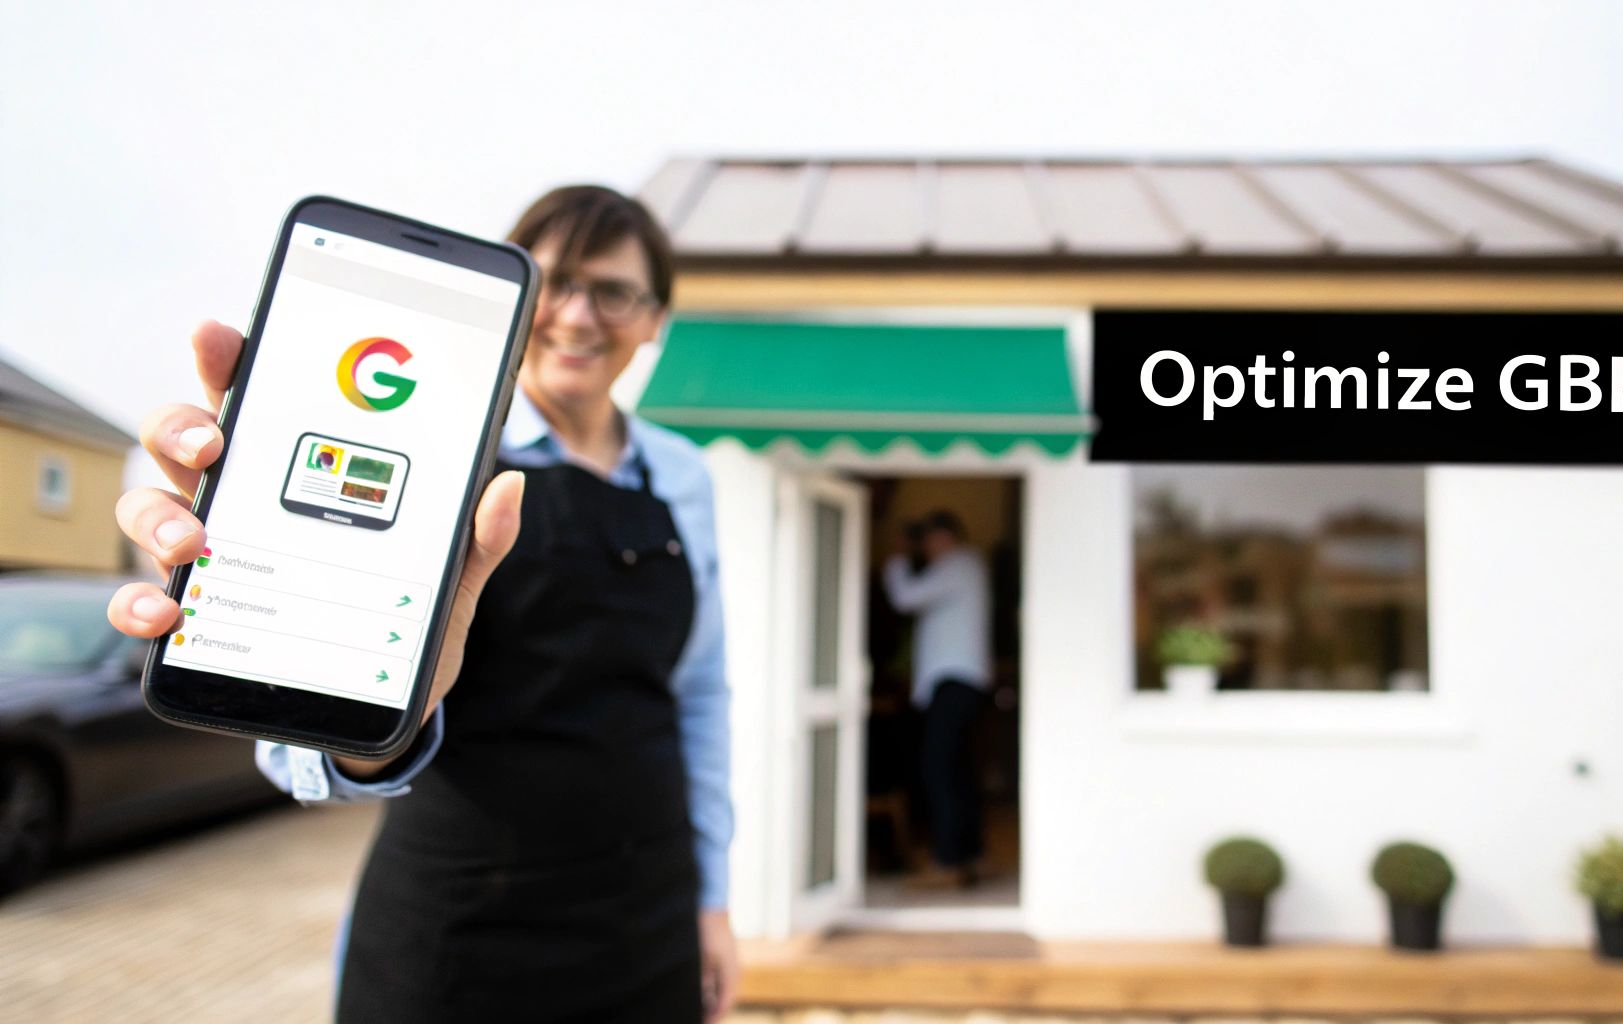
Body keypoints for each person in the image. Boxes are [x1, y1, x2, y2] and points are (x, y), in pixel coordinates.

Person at [106, 186, 737, 1022]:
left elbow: (697, 696)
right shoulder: (434, 443)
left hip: (645, 913)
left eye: (613, 291)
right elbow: (308, 752)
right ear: (514, 303)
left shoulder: (683, 476)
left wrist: (714, 899)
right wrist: (366, 733)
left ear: (654, 318)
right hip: (459, 923)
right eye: (553, 283)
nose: (579, 316)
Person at [880, 510, 991, 889]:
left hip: (954, 682)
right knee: (957, 771)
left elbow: (905, 597)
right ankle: (969, 855)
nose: (924, 549)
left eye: (927, 540)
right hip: (959, 682)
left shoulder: (957, 565)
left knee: (939, 769)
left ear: (943, 537)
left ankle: (948, 861)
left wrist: (897, 557)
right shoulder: (966, 568)